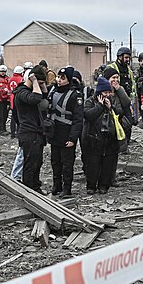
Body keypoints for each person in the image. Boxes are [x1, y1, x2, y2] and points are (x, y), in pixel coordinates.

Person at [81, 77, 124, 194]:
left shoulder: (113, 100)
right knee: (93, 164)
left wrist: (111, 108)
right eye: (105, 92)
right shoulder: (90, 101)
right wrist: (99, 106)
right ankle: (91, 186)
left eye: (109, 92)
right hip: (93, 138)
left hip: (110, 138)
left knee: (107, 165)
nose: (107, 95)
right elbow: (88, 115)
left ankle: (104, 185)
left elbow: (121, 112)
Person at [46, 66, 84, 198]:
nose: (59, 80)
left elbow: (78, 120)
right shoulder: (52, 91)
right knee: (55, 161)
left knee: (67, 164)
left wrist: (73, 139)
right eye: (58, 77)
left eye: (63, 78)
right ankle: (57, 185)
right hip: (54, 133)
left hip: (67, 134)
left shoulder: (75, 95)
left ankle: (67, 188)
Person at [12, 65, 49, 194]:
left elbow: (43, 96)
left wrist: (41, 84)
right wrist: (34, 81)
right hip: (28, 133)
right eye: (40, 83)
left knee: (37, 162)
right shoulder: (22, 93)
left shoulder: (32, 91)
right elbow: (36, 98)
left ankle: (35, 187)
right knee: (29, 164)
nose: (41, 86)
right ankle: (28, 190)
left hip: (36, 132)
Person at [107, 47, 135, 142]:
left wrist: (131, 99)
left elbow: (132, 84)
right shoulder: (112, 67)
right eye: (126, 57)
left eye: (128, 58)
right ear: (119, 57)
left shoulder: (128, 69)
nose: (127, 60)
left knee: (128, 121)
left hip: (125, 97)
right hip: (115, 98)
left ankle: (126, 140)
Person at [8, 66, 25, 139]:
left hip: (11, 99)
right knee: (19, 117)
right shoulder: (21, 79)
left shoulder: (10, 79)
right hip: (18, 99)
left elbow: (9, 89)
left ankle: (12, 133)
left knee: (13, 117)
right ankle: (18, 133)